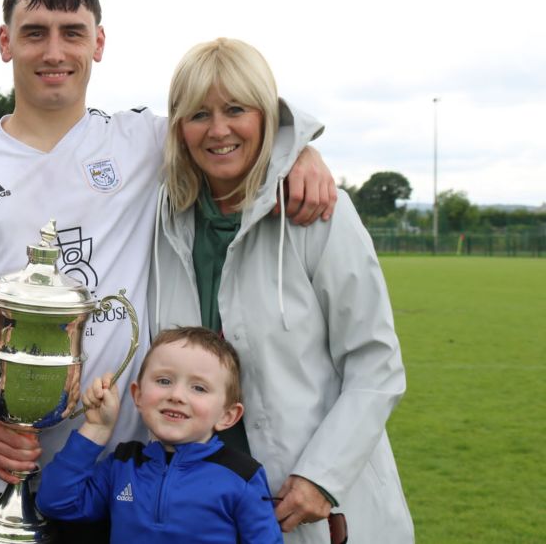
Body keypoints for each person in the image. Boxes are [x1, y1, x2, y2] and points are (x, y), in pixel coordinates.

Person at [0, 0, 336, 541]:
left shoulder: (142, 141)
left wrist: (297, 149)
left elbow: (232, 125)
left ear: (98, 44)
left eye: (72, 33)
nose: (54, 51)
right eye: (34, 33)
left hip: (120, 468)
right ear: (6, 42)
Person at [150, 38, 413, 542]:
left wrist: (322, 475)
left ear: (266, 117)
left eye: (236, 110)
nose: (219, 129)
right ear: (179, 127)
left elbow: (376, 362)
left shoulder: (318, 214)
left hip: (314, 506)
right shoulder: (163, 217)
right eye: (199, 114)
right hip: (202, 509)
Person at [36, 327, 282, 543]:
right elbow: (56, 502)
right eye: (164, 381)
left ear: (227, 415)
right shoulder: (122, 465)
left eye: (198, 387)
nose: (176, 395)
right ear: (138, 395)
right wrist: (96, 428)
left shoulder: (243, 476)